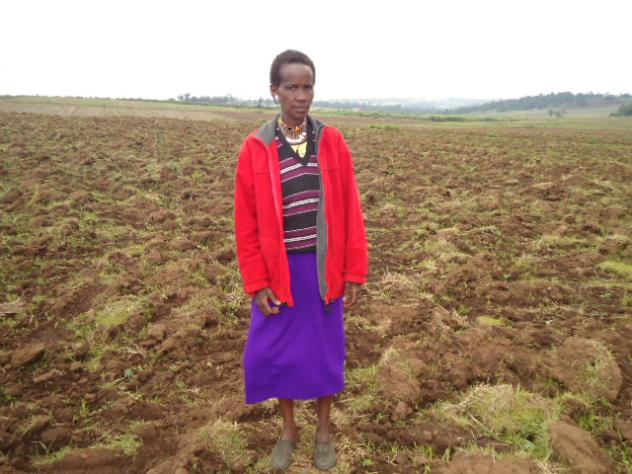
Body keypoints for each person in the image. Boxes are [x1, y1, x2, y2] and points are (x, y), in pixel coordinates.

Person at [233, 49, 369, 471]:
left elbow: (350, 208)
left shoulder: (331, 142)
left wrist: (353, 271)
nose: (301, 96)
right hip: (281, 272)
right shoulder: (256, 148)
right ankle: (289, 429)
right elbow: (246, 222)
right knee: (275, 353)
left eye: (307, 86)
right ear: (274, 90)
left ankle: (324, 431)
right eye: (291, 87)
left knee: (325, 352)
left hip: (323, 269)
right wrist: (257, 282)